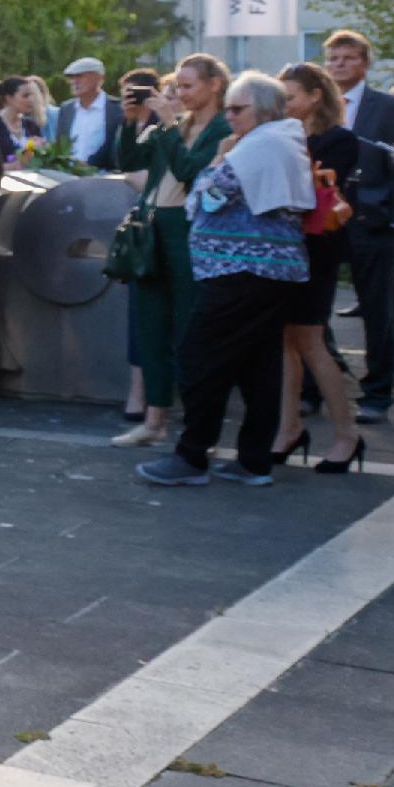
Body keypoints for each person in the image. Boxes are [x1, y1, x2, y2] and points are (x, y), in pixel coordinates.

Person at [138, 72, 313, 486]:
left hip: (242, 269)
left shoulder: (259, 145)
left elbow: (206, 199)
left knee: (200, 356)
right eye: (229, 108)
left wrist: (216, 162)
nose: (230, 117)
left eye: (238, 109)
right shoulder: (281, 139)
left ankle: (192, 455)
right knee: (258, 364)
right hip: (268, 269)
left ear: (265, 110)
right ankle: (254, 460)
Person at [106, 54, 231, 450]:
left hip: (189, 231)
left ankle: (198, 424)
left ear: (215, 85)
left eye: (188, 85)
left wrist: (170, 126)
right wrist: (131, 122)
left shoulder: (222, 128)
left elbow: (191, 170)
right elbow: (130, 160)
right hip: (153, 229)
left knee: (190, 331)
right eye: (176, 86)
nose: (179, 93)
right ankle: (154, 419)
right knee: (151, 327)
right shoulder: (173, 125)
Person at [272, 64, 365, 472]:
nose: (284, 105)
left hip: (318, 248)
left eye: (290, 97)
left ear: (315, 96)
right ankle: (288, 428)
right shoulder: (282, 135)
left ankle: (347, 435)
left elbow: (314, 190)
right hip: (286, 247)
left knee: (310, 341)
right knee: (284, 342)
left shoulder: (339, 140)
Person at [319, 30, 394, 419]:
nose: (339, 64)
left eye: (349, 57)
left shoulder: (389, 107)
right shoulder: (317, 106)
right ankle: (314, 385)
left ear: (365, 63)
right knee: (312, 310)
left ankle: (377, 393)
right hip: (323, 217)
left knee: (377, 311)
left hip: (371, 220)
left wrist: (393, 215)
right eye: (333, 58)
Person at [47, 57, 116, 164]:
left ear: (99, 78)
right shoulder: (66, 109)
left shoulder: (116, 109)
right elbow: (60, 145)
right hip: (68, 175)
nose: (74, 82)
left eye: (80, 76)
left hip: (103, 176)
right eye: (71, 77)